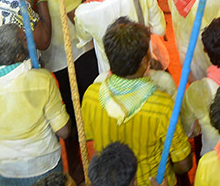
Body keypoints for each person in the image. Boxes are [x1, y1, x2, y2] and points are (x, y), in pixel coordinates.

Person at [81, 18, 193, 186]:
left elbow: (90, 139)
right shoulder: (161, 106)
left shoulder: (91, 95)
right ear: (144, 61)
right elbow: (184, 164)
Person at [0, 23, 71, 186]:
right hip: (43, 166)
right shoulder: (42, 80)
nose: (29, 40)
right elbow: (64, 131)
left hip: (4, 169)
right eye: (25, 39)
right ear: (18, 56)